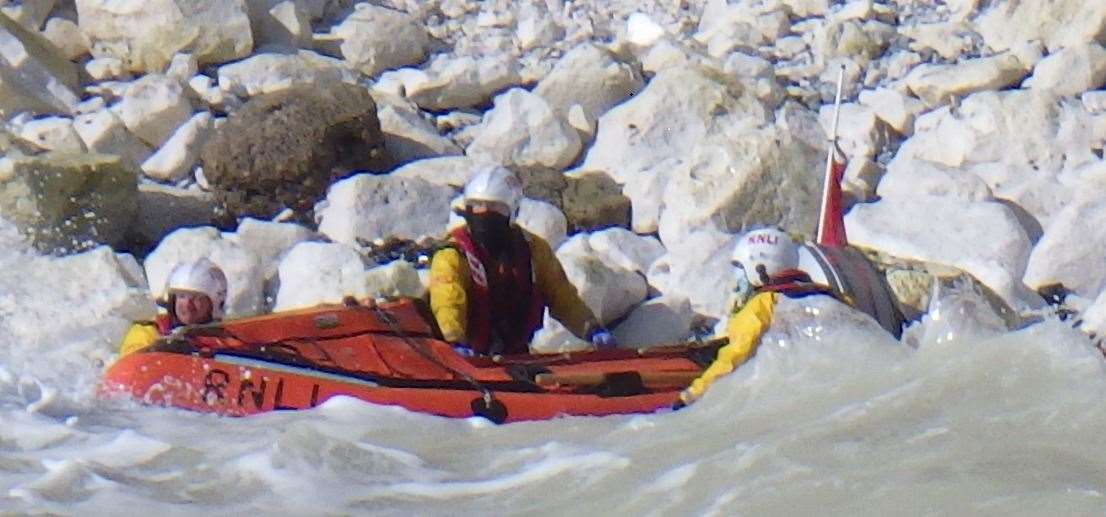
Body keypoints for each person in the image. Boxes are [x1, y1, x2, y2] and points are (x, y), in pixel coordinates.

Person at [429, 165, 614, 356]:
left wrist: (590, 328)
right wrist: (453, 341)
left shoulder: (533, 249)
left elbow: (562, 296)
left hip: (515, 354)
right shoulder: (452, 254)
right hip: (471, 354)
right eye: (477, 205)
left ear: (511, 211)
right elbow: (447, 299)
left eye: (495, 207)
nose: (483, 213)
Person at [676, 228, 847, 408]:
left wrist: (692, 395)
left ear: (759, 269)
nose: (737, 281)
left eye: (740, 270)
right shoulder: (835, 296)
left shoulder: (763, 304)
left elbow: (737, 355)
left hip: (793, 392)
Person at [118, 258, 228, 357]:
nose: (187, 305)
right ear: (172, 301)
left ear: (214, 304)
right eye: (182, 296)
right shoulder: (148, 331)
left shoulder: (228, 340)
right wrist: (157, 351)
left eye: (197, 298)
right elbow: (126, 368)